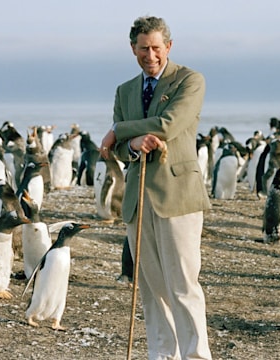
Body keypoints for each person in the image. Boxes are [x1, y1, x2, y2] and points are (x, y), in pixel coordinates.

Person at [100, 16, 212, 359]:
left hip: (177, 195)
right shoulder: (125, 90)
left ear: (169, 46)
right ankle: (162, 355)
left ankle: (196, 356)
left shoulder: (189, 80)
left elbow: (169, 124)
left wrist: (119, 128)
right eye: (143, 48)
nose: (151, 55)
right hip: (138, 197)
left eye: (156, 48)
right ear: (133, 48)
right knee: (151, 287)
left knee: (182, 284)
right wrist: (131, 143)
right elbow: (117, 150)